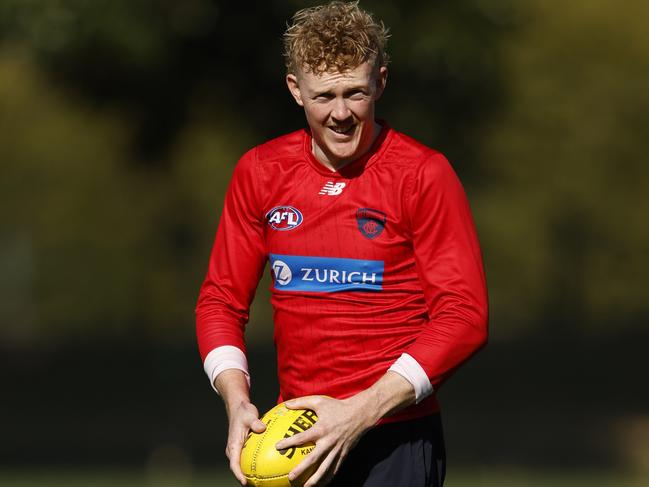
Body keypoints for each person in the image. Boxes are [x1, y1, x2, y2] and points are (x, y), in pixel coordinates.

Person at [195, 2, 488, 486]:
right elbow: (220, 301)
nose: (341, 113)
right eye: (324, 96)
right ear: (295, 90)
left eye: (355, 93)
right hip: (294, 439)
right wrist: (237, 400)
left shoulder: (422, 174)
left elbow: (464, 317)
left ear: (381, 83)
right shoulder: (261, 172)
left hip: (396, 437)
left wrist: (360, 410)